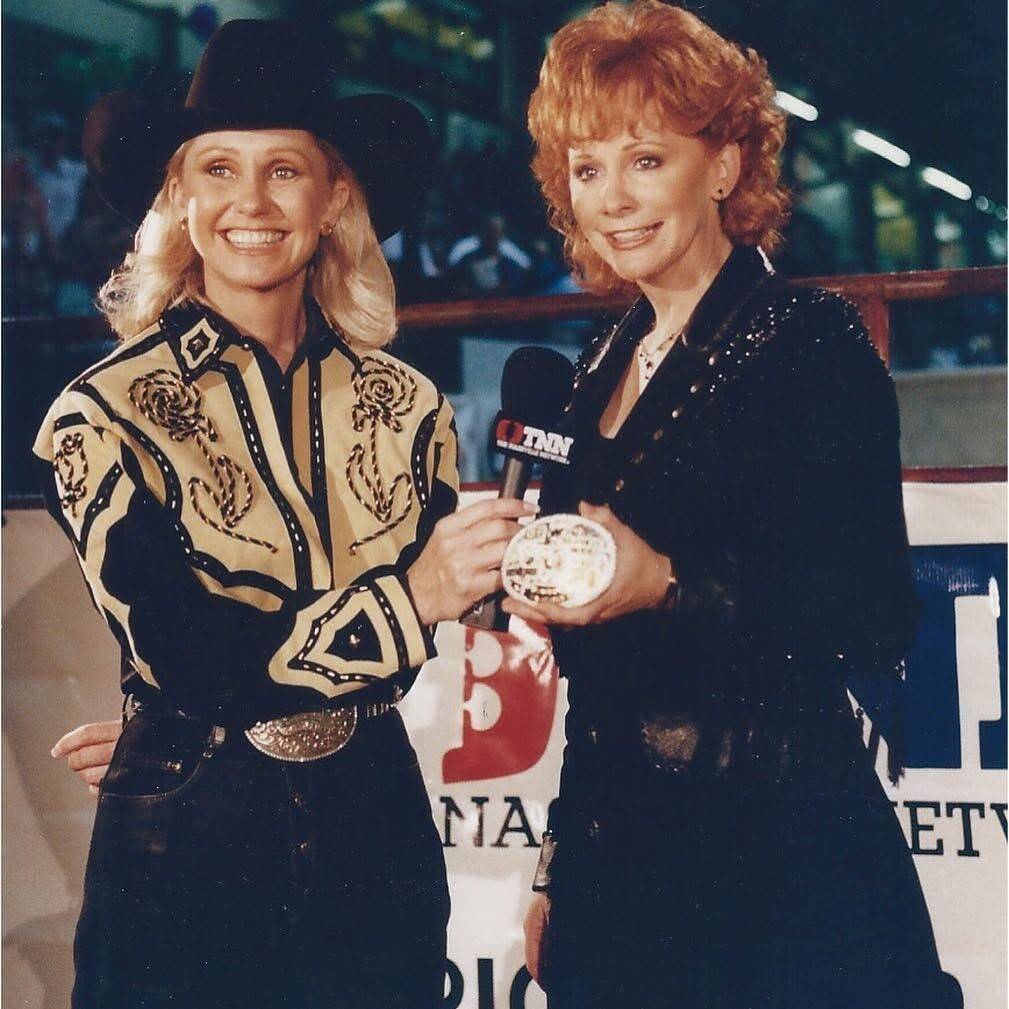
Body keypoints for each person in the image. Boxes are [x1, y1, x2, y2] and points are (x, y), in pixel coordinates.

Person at [35, 20, 531, 1009]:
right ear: (177, 195)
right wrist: (413, 596)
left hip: (374, 824)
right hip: (185, 838)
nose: (249, 203)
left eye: (284, 171)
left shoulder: (412, 408)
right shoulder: (101, 412)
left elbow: (403, 652)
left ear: (336, 195)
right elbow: (188, 652)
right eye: (217, 168)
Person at [506, 4, 963, 1008]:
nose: (613, 199)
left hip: (777, 859)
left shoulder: (808, 342)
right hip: (612, 858)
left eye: (644, 160)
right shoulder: (587, 371)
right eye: (587, 170)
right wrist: (553, 868)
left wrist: (665, 582)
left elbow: (874, 615)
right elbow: (600, 684)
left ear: (722, 167)